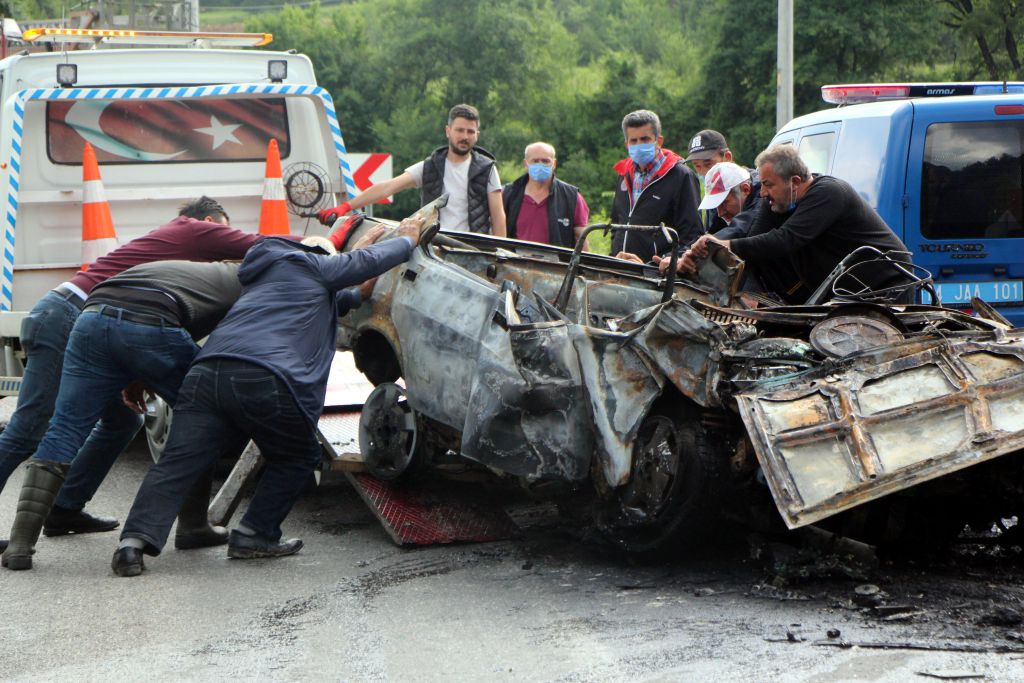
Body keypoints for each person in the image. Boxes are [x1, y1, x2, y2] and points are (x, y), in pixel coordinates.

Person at [110, 216, 426, 577]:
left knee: (177, 463)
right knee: (298, 455)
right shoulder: (306, 264)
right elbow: (357, 265)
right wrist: (405, 241)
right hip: (264, 376)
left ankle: (132, 544)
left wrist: (361, 280)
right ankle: (254, 534)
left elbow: (349, 293)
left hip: (206, 374)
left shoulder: (265, 280)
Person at [0, 197, 259, 555]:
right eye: (224, 236)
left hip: (87, 317)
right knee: (28, 429)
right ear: (213, 221)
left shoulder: (172, 249)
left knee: (124, 419)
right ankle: (190, 525)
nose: (223, 256)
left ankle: (65, 508)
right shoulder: (195, 230)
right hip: (70, 313)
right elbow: (267, 245)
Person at [678, 144, 910, 303]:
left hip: (885, 283)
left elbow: (786, 240)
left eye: (768, 185)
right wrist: (694, 262)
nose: (763, 193)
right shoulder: (777, 202)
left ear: (794, 182)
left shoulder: (828, 192)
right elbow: (752, 245)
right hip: (846, 289)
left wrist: (725, 244)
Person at [318, 104, 506, 236]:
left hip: (473, 250)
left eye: (470, 132)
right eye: (460, 130)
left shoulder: (487, 169)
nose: (465, 136)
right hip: (434, 247)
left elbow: (498, 216)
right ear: (448, 131)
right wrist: (346, 207)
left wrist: (500, 256)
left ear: (477, 135)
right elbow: (388, 187)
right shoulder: (431, 166)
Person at [611, 110, 702, 263]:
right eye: (634, 141)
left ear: (658, 141)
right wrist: (614, 255)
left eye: (645, 139)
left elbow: (692, 236)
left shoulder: (681, 176)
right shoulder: (624, 174)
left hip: (657, 276)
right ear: (626, 144)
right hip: (621, 270)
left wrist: (657, 264)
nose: (639, 145)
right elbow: (617, 223)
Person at [502, 142, 590, 249]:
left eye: (545, 161)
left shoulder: (572, 197)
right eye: (535, 161)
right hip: (515, 262)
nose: (540, 165)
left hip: (556, 264)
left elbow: (581, 240)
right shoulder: (508, 194)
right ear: (526, 163)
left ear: (554, 163)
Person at [685, 129, 762, 232]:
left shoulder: (759, 186)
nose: (704, 172)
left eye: (708, 164)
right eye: (697, 166)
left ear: (728, 157)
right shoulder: (712, 195)